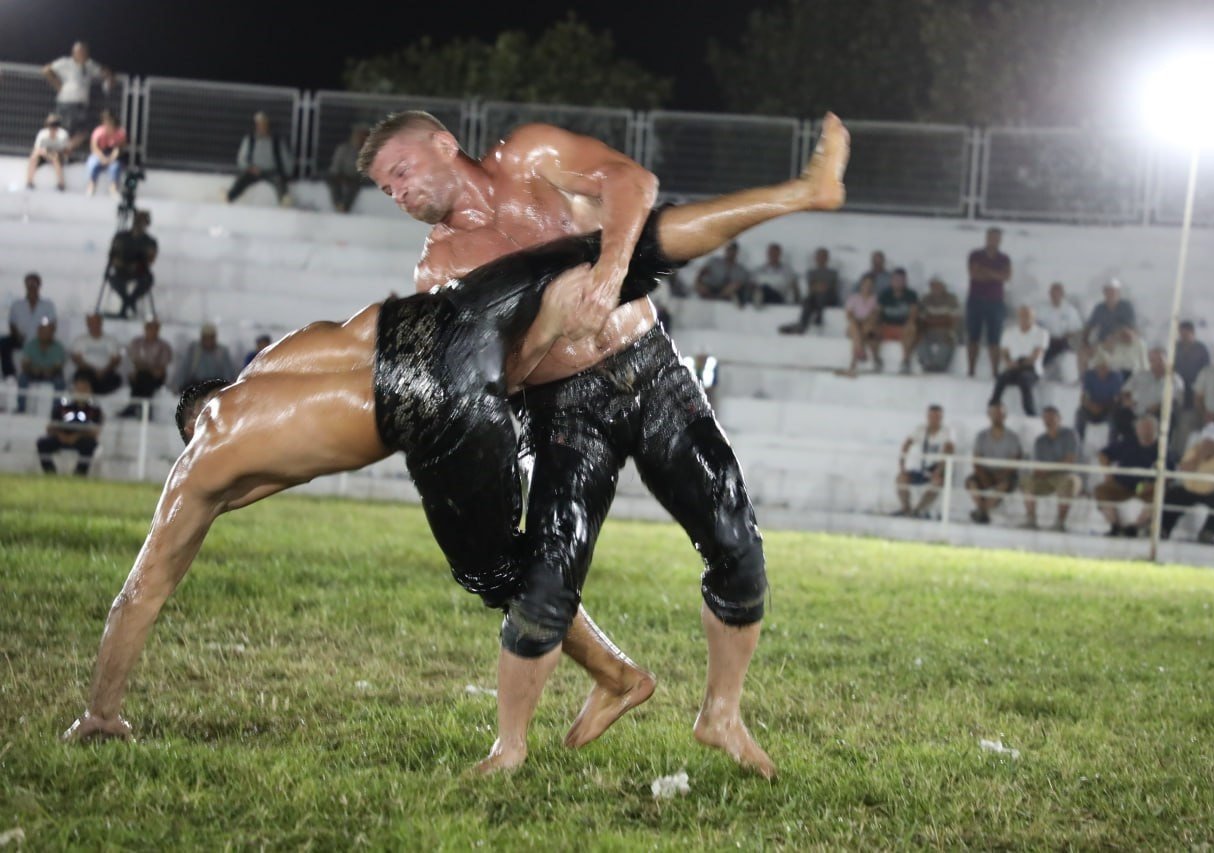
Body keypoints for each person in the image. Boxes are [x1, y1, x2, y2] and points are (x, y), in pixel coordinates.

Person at [61, 163, 848, 779]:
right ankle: (792, 195)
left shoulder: (206, 463)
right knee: (617, 253)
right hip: (439, 325)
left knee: (497, 566)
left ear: (195, 418)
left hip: (433, 407)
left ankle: (609, 675)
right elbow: (325, 380)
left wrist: (102, 708)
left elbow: (142, 590)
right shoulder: (279, 357)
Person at [359, 109, 850, 776]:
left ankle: (721, 713)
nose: (401, 193)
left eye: (403, 171)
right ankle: (509, 745)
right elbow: (491, 379)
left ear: (445, 144)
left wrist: (613, 268)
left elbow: (632, 183)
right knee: (547, 575)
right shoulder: (439, 266)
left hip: (650, 365)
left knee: (736, 541)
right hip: (562, 405)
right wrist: (546, 330)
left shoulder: (530, 157)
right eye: (388, 190)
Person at [1157, 422, 1214, 542]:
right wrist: (1200, 457)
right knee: (1173, 494)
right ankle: (1163, 529)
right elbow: (1183, 469)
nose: (1209, 444)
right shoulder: (1195, 449)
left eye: (1213, 441)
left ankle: (1208, 533)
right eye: (1207, 441)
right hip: (1191, 491)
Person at [1094, 415, 1162, 537]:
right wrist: (1107, 472)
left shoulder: (1162, 448)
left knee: (1160, 495)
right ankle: (1115, 525)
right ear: (1137, 430)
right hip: (1122, 485)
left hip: (1146, 488)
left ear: (1156, 429)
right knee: (1101, 490)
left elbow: (1169, 472)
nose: (1146, 431)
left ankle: (1135, 527)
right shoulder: (1127, 442)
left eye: (1149, 428)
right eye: (1143, 427)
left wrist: (1153, 484)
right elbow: (1103, 454)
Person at [42, 41, 114, 156]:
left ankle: (62, 152)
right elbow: (46, 70)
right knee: (68, 131)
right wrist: (58, 86)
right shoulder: (65, 62)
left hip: (80, 105)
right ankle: (60, 153)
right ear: (74, 53)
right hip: (66, 102)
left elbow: (103, 72)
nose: (83, 54)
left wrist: (109, 76)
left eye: (85, 52)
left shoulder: (89, 65)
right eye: (80, 52)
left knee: (83, 131)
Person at [1022, 406, 1081, 532]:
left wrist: (1047, 469)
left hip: (1067, 475)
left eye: (1052, 418)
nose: (1048, 421)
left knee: (1068, 483)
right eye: (1046, 418)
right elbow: (1038, 466)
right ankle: (1031, 520)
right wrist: (1041, 471)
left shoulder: (1070, 435)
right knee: (1026, 481)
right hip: (1047, 478)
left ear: (1059, 419)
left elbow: (1069, 461)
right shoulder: (1040, 441)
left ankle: (1060, 523)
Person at [965, 227, 1011, 378]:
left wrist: (985, 271)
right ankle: (971, 370)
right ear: (986, 238)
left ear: (1000, 240)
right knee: (973, 337)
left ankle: (995, 372)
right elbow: (974, 275)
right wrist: (995, 275)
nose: (993, 240)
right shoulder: (975, 254)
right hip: (975, 300)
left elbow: (1006, 277)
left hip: (995, 302)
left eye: (996, 238)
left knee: (995, 338)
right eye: (991, 237)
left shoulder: (1004, 258)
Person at [965, 402, 1022, 524]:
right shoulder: (981, 436)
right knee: (971, 482)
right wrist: (983, 476)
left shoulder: (1013, 437)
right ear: (989, 415)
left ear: (1005, 416)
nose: (997, 417)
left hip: (1005, 475)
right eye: (994, 414)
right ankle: (983, 511)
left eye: (1000, 414)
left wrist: (1001, 475)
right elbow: (976, 461)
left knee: (1004, 484)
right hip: (985, 473)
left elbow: (1014, 462)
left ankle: (982, 510)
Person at [37, 371, 103, 476]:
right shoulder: (63, 406)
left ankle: (79, 474)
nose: (81, 392)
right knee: (42, 443)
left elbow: (95, 432)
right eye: (79, 389)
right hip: (61, 437)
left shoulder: (94, 409)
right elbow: (50, 427)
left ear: (90, 390)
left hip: (82, 439)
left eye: (84, 389)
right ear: (74, 389)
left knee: (90, 445)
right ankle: (50, 473)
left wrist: (77, 436)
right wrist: (60, 435)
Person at [894, 404, 954, 518]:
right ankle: (906, 508)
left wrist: (939, 470)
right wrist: (902, 465)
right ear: (927, 417)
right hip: (922, 469)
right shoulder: (920, 429)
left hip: (939, 469)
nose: (934, 419)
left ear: (941, 418)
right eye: (932, 416)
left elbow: (949, 451)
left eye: (937, 417)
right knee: (901, 478)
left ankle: (917, 510)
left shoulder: (946, 432)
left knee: (937, 482)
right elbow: (907, 444)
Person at [989, 305, 1048, 416]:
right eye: (1022, 316)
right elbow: (1004, 352)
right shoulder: (1009, 332)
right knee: (1001, 378)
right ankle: (992, 406)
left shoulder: (1041, 333)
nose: (1024, 318)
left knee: (1024, 379)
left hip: (1031, 369)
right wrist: (1009, 362)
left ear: (1033, 318)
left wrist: (1020, 363)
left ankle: (1030, 413)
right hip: (1013, 367)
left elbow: (1036, 355)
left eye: (1028, 316)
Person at [1115, 346, 1180, 445]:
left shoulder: (1175, 380)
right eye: (1153, 360)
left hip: (1157, 414)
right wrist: (1126, 400)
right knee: (1121, 414)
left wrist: (1158, 407)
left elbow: (1174, 400)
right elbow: (1125, 391)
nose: (1156, 363)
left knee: (1169, 416)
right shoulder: (1140, 375)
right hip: (1136, 412)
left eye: (1160, 360)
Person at [226, 112, 294, 206]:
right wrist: (249, 167)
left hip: (272, 171)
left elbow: (286, 158)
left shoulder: (277, 141)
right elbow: (241, 158)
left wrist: (288, 173)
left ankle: (284, 200)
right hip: (254, 171)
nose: (261, 127)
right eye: (259, 124)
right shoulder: (249, 140)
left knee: (279, 181)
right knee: (242, 179)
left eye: (264, 124)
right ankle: (229, 197)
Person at [106, 210, 159, 319]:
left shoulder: (150, 241)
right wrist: (117, 262)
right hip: (121, 270)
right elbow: (112, 254)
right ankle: (129, 303)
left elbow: (150, 259)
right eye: (138, 220)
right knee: (112, 278)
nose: (139, 224)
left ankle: (127, 304)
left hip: (139, 272)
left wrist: (139, 265)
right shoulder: (121, 236)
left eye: (143, 221)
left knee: (148, 280)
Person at [4, 273, 57, 379]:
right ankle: (9, 376)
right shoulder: (17, 304)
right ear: (25, 285)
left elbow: (52, 325)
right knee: (3, 343)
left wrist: (45, 337)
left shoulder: (48, 305)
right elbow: (12, 323)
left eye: (34, 283)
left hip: (40, 340)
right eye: (29, 283)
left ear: (39, 285)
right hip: (21, 339)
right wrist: (17, 335)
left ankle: (48, 376)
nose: (32, 285)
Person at [1079, 279, 1136, 376]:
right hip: (1102, 342)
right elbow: (1090, 326)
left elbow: (1130, 327)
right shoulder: (1099, 308)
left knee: (1121, 334)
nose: (1111, 294)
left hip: (1123, 339)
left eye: (1113, 291)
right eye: (1108, 291)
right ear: (1104, 293)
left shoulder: (1126, 306)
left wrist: (1115, 336)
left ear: (1118, 293)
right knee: (1082, 353)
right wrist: (1085, 342)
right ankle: (1085, 381)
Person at [779, 248, 840, 333]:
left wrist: (820, 287)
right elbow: (810, 287)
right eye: (819, 256)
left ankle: (817, 318)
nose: (821, 259)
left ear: (827, 258)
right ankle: (802, 325)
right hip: (814, 297)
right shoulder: (811, 272)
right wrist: (818, 287)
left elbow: (833, 287)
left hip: (829, 297)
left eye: (823, 257)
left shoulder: (833, 273)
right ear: (816, 258)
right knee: (809, 300)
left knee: (819, 296)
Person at [121, 318, 172, 418]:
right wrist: (147, 368)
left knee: (145, 377)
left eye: (154, 328)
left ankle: (133, 407)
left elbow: (160, 370)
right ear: (145, 329)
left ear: (158, 330)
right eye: (149, 328)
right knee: (143, 377)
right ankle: (147, 411)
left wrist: (145, 368)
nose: (152, 331)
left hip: (154, 378)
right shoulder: (137, 343)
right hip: (139, 375)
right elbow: (134, 362)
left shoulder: (164, 346)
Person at [871, 268, 919, 374]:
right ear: (891, 280)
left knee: (911, 328)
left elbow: (913, 313)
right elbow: (877, 312)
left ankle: (905, 362)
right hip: (886, 326)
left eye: (901, 279)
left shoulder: (911, 294)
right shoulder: (884, 294)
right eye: (896, 279)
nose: (898, 282)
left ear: (905, 281)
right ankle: (876, 360)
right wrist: (876, 322)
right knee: (873, 329)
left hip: (903, 328)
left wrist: (909, 323)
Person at [17, 318, 67, 413]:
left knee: (60, 382)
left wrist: (48, 371)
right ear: (38, 332)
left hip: (51, 374)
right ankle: (21, 408)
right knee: (22, 378)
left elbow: (58, 366)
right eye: (42, 331)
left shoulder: (58, 347)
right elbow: (25, 364)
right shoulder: (30, 345)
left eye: (47, 332)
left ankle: (56, 411)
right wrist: (33, 369)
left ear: (52, 333)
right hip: (33, 372)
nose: (45, 334)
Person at [70, 313, 123, 395]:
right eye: (91, 322)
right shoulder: (80, 340)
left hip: (106, 372)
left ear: (101, 323)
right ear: (87, 324)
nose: (94, 325)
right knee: (81, 378)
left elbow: (115, 360)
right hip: (87, 372)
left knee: (116, 379)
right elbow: (77, 359)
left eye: (97, 322)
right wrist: (93, 370)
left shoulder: (111, 340)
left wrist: (104, 371)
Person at [916, 276, 962, 373]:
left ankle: (938, 365)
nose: (935, 288)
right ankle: (927, 363)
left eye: (938, 285)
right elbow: (922, 319)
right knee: (919, 339)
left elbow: (955, 319)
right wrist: (943, 320)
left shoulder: (951, 299)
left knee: (949, 339)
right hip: (929, 331)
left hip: (946, 330)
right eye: (933, 286)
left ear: (943, 286)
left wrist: (934, 321)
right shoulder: (926, 299)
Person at [1039, 282, 1083, 380]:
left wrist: (1069, 336)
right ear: (1049, 294)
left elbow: (1078, 331)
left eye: (1057, 293)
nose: (1055, 295)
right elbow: (1037, 328)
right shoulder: (1042, 310)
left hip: (1065, 342)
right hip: (1048, 341)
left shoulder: (1071, 311)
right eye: (1053, 293)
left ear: (1062, 294)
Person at [173, 323, 235, 392]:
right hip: (197, 385)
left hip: (216, 386)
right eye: (206, 337)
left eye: (210, 337)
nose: (208, 341)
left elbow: (228, 372)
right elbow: (184, 369)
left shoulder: (222, 352)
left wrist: (228, 388)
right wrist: (179, 385)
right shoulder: (194, 350)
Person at [837, 274, 878, 377]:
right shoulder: (853, 298)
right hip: (854, 326)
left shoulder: (874, 299)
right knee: (855, 326)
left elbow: (874, 316)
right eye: (865, 284)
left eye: (870, 285)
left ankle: (852, 366)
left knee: (861, 331)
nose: (867, 287)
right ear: (861, 285)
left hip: (867, 327)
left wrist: (862, 321)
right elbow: (849, 315)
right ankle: (860, 352)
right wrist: (858, 321)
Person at [1075, 359, 1124, 442]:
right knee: (1080, 414)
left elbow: (1117, 399)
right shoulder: (1089, 376)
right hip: (1091, 407)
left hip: (1108, 408)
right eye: (1100, 367)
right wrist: (1091, 406)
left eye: (1105, 367)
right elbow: (1083, 397)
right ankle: (1079, 442)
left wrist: (1102, 407)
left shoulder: (1116, 377)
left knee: (1116, 417)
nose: (1102, 370)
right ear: (1096, 368)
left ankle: (1112, 445)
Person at [327, 125, 370, 213]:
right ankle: (338, 204)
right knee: (334, 182)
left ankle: (345, 207)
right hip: (342, 175)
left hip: (357, 179)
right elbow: (336, 166)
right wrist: (339, 176)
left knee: (354, 186)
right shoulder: (344, 149)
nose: (360, 139)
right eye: (359, 136)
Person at [85, 109, 128, 197]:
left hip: (113, 155)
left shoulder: (120, 132)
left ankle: (113, 188)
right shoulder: (98, 131)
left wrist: (111, 159)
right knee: (93, 163)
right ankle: (91, 186)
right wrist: (102, 158)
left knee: (115, 167)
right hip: (100, 153)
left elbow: (119, 148)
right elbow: (94, 147)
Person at [25, 114, 70, 191]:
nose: (52, 127)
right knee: (33, 157)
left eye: (54, 124)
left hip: (58, 156)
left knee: (55, 158)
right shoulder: (42, 133)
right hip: (44, 154)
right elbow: (37, 148)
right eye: (50, 125)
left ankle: (61, 183)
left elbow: (65, 150)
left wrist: (55, 153)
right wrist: (46, 153)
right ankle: (29, 182)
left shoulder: (63, 134)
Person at [1173, 320, 1210, 410]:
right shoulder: (1176, 347)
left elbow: (1206, 369)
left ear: (1192, 333)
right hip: (1178, 385)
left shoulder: (1201, 349)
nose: (1183, 337)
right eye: (1181, 334)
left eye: (1185, 334)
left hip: (1196, 386)